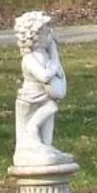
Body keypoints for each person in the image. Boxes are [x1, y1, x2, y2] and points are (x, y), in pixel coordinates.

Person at [12, 10, 72, 166]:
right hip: (31, 98)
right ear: (35, 36)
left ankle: (46, 145)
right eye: (46, 32)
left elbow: (57, 76)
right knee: (50, 108)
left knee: (51, 111)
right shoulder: (29, 58)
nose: (50, 34)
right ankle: (32, 138)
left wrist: (54, 54)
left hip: (45, 95)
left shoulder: (45, 55)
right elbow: (44, 76)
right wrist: (54, 66)